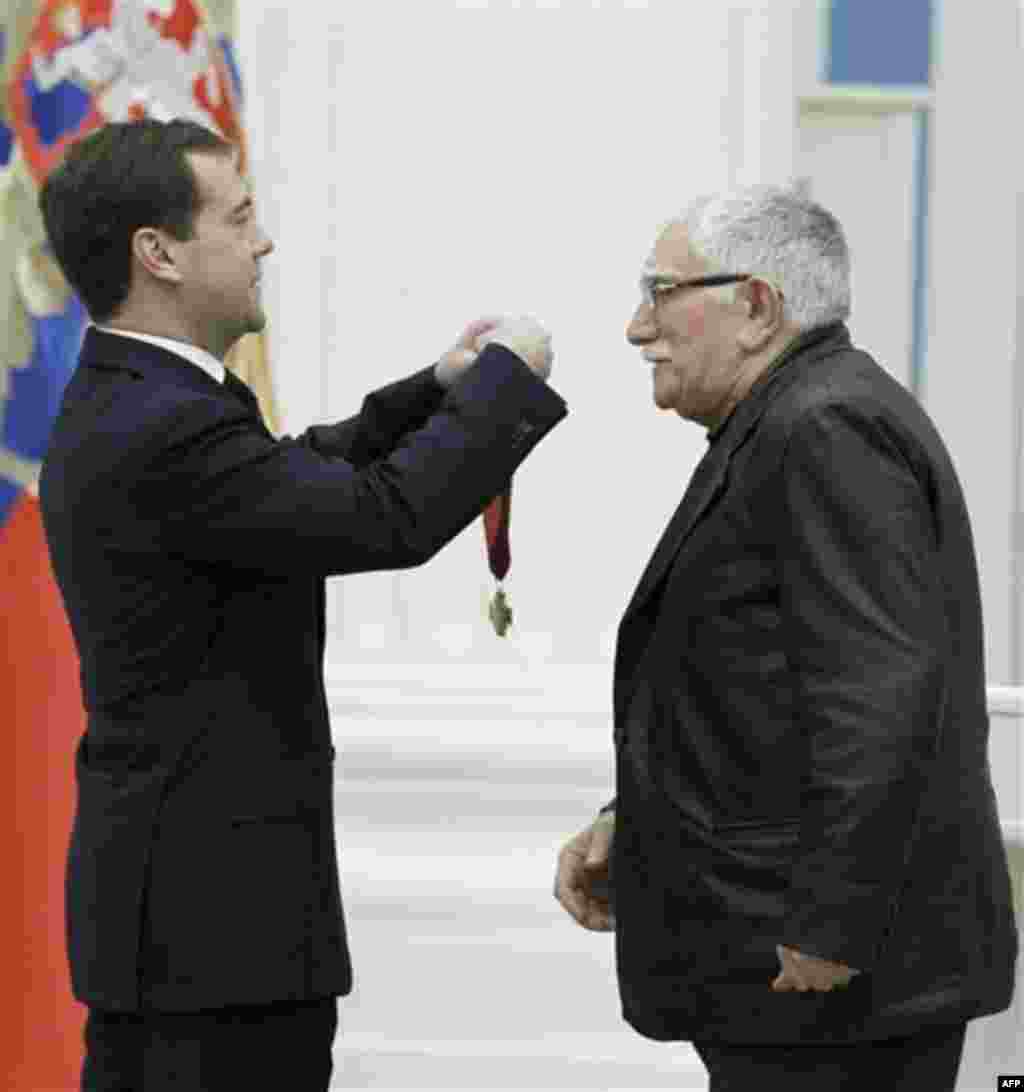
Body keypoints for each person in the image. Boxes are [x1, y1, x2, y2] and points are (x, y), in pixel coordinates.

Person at [38, 117, 567, 1092]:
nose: (264, 241)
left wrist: (438, 388)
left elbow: (294, 477)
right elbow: (383, 518)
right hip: (210, 940)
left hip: (192, 931)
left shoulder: (146, 398)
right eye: (238, 219)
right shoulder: (162, 425)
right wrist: (504, 384)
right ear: (157, 253)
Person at [554, 184, 1017, 1090]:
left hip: (833, 984)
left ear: (756, 306)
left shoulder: (825, 426)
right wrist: (632, 824)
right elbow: (754, 694)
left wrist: (833, 919)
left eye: (660, 291)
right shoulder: (786, 419)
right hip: (787, 969)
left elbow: (877, 692)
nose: (636, 328)